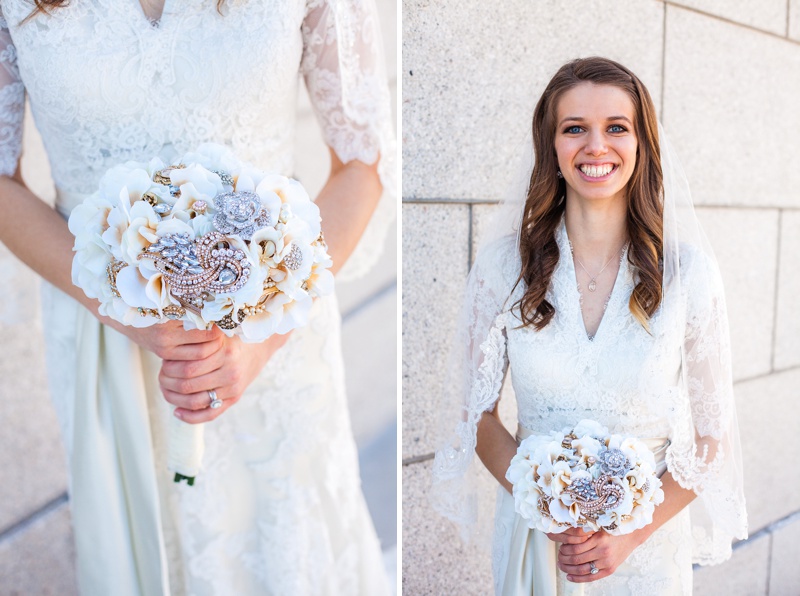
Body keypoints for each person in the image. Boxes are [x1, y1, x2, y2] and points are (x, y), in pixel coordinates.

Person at [0, 1, 394, 594]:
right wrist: (125, 310)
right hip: (103, 338)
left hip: (274, 340)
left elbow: (362, 162)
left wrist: (261, 342)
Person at [431, 57, 747, 595]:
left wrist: (628, 534)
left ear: (642, 145)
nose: (595, 145)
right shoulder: (503, 268)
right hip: (539, 541)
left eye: (616, 128)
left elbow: (712, 439)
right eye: (574, 128)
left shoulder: (687, 273)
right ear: (551, 146)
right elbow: (475, 416)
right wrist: (541, 499)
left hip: (646, 549)